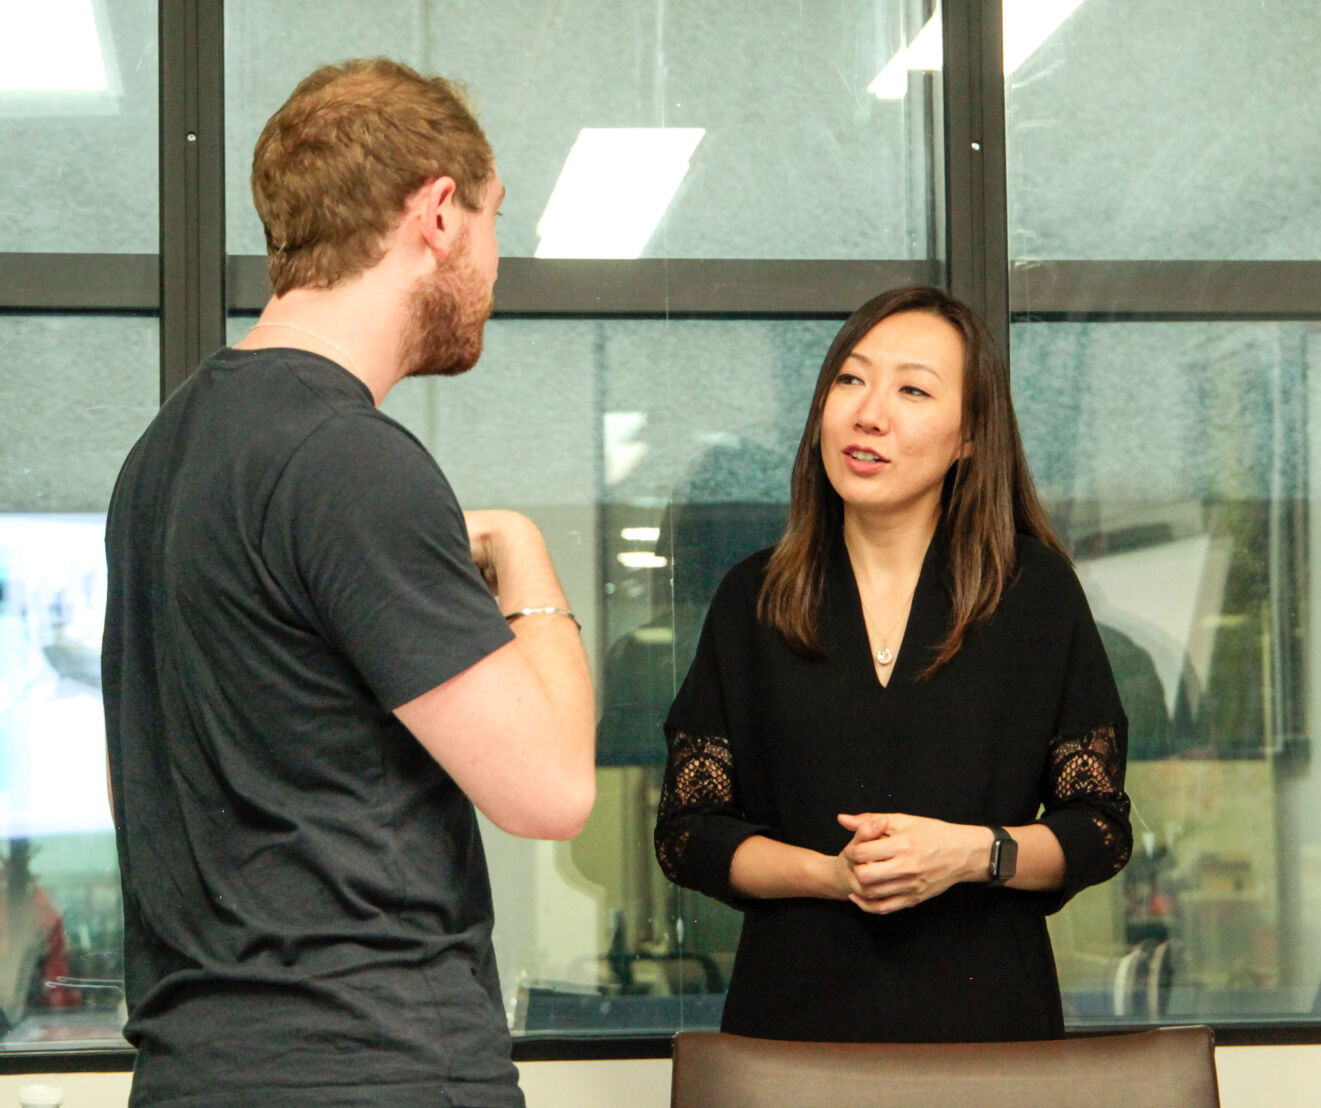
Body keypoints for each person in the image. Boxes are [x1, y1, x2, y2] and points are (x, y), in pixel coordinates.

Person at [102, 59, 595, 1108]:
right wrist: (527, 562)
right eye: (497, 218)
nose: (499, 266)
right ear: (437, 213)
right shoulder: (350, 456)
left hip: (196, 1071)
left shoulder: (162, 458)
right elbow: (551, 790)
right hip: (374, 1066)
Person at [653, 285, 1133, 1042]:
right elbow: (686, 831)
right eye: (850, 379)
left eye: (912, 389)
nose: (868, 412)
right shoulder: (755, 596)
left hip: (988, 1032)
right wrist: (832, 876)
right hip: (792, 1034)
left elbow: (1100, 829)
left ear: (970, 436)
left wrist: (973, 853)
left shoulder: (1034, 592)